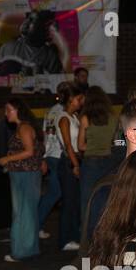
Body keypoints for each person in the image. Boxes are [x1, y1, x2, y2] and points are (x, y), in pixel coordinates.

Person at [0, 98, 42, 262]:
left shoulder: (23, 127)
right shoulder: (27, 127)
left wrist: (7, 159)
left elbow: (29, 151)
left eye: (8, 110)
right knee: (28, 212)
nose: (6, 113)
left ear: (17, 110)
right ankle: (30, 248)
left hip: (23, 175)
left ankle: (20, 251)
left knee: (21, 212)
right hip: (29, 174)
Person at [37, 83, 75, 244]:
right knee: (55, 193)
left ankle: (36, 225)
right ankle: (35, 225)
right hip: (58, 156)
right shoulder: (63, 113)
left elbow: (45, 133)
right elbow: (61, 139)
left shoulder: (51, 111)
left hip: (51, 154)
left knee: (56, 193)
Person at [78, 86, 116, 236]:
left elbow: (80, 145)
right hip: (109, 163)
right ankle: (104, 236)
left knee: (87, 202)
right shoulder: (113, 118)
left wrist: (93, 146)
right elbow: (118, 142)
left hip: (91, 163)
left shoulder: (85, 118)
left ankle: (87, 240)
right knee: (105, 200)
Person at [52, 84, 85, 252]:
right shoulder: (63, 118)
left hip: (77, 159)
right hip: (68, 162)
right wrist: (75, 165)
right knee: (69, 202)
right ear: (71, 100)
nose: (81, 102)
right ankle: (65, 239)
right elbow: (68, 146)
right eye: (79, 99)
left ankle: (74, 236)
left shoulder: (75, 117)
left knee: (76, 201)